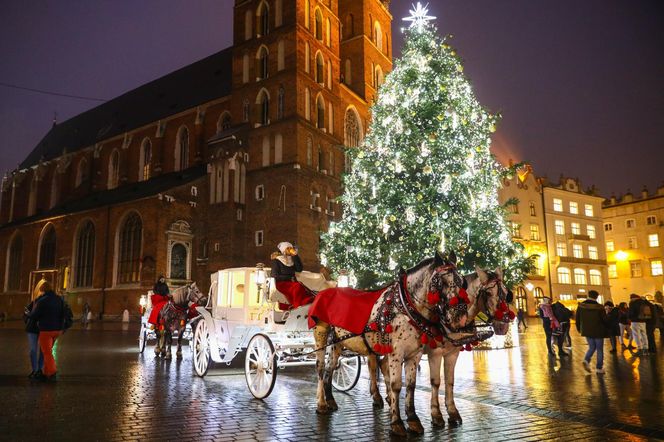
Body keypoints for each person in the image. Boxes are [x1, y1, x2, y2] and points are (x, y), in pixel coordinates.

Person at [27, 282, 64, 382]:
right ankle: (46, 372)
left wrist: (29, 314)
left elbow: (34, 315)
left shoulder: (42, 301)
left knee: (47, 352)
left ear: (43, 290)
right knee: (47, 351)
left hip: (46, 330)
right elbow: (63, 313)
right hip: (57, 330)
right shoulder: (59, 299)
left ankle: (52, 372)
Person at [271, 241, 315, 309]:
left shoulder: (291, 260)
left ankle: (306, 305)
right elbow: (274, 275)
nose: (290, 250)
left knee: (304, 290)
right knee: (297, 286)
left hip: (292, 283)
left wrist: (295, 256)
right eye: (288, 248)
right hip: (281, 283)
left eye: (291, 248)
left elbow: (299, 269)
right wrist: (289, 278)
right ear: (284, 250)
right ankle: (297, 306)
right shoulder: (277, 261)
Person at [575, 290, 608, 374]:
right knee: (599, 349)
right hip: (598, 330)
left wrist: (579, 328)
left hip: (587, 330)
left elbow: (577, 318)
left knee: (592, 347)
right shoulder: (600, 307)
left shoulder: (581, 305)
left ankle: (586, 360)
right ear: (596, 297)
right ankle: (599, 368)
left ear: (588, 295)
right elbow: (604, 320)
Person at [24, 287, 45, 379]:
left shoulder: (48, 303)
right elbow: (26, 312)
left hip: (43, 329)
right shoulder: (35, 302)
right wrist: (28, 320)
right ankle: (35, 370)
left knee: (42, 351)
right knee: (33, 350)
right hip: (32, 329)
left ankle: (39, 369)